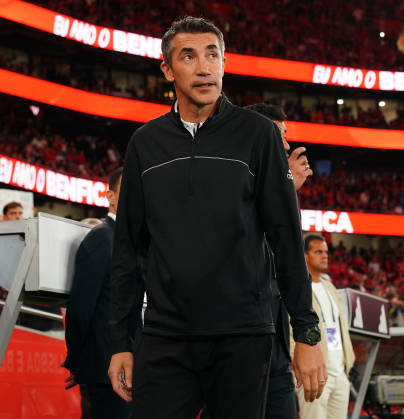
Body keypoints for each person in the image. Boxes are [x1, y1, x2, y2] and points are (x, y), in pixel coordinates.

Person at [107, 17, 326, 419]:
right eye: (189, 57)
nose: (204, 67)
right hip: (166, 337)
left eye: (212, 55)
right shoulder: (145, 143)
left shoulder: (258, 134)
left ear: (224, 64)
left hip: (243, 337)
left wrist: (306, 333)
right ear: (168, 70)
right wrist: (120, 341)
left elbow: (285, 237)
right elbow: (128, 249)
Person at [244, 103, 313, 419]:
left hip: (277, 347)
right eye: (278, 135)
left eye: (285, 136)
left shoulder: (277, 191)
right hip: (241, 345)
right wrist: (285, 188)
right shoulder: (231, 188)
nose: (286, 145)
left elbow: (287, 257)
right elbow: (265, 249)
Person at [64, 167, 141, 419]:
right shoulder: (101, 239)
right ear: (110, 196)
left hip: (135, 369)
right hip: (107, 372)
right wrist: (76, 361)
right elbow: (80, 309)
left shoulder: (135, 241)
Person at [294, 235, 355, 419]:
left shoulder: (330, 288)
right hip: (314, 371)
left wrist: (347, 362)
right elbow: (290, 326)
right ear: (305, 255)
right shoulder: (297, 288)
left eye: (326, 252)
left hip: (339, 372)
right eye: (318, 251)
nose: (324, 256)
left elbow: (338, 326)